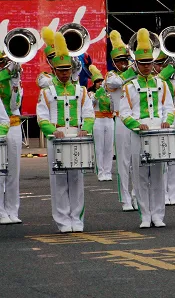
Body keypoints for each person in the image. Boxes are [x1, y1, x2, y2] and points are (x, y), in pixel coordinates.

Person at [37, 33, 94, 233]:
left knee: (77, 180)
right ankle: (62, 221)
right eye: (60, 70)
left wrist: (85, 128)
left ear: (71, 69)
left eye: (66, 69)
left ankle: (77, 219)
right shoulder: (46, 91)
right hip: (57, 139)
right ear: (54, 69)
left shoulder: (81, 90)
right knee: (58, 180)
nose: (63, 73)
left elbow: (88, 113)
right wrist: (53, 131)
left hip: (76, 138)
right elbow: (41, 117)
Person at [119, 29, 175, 229]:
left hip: (158, 132)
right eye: (142, 64)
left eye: (149, 63)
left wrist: (167, 121)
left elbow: (170, 107)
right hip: (139, 134)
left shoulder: (162, 84)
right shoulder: (129, 86)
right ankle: (145, 215)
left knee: (158, 175)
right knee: (141, 176)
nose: (146, 67)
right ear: (136, 64)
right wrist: (136, 125)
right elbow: (124, 112)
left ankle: (158, 215)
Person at [105, 31, 138, 212]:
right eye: (120, 61)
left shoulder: (135, 72)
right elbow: (117, 83)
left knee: (137, 160)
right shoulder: (111, 76)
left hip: (136, 120)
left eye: (125, 60)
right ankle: (125, 198)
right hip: (120, 120)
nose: (123, 63)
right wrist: (132, 70)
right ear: (114, 62)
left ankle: (135, 195)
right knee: (124, 162)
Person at [153, 51, 175, 206]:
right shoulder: (155, 80)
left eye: (163, 63)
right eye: (158, 64)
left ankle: (173, 194)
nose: (160, 66)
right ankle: (162, 193)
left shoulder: (171, 79)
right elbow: (160, 78)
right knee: (163, 156)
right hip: (163, 121)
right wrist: (170, 68)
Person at [0, 46, 22, 225]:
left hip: (13, 124)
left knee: (13, 171)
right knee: (0, 172)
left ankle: (12, 210)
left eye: (3, 62)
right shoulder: (4, 75)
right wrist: (6, 73)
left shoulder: (11, 78)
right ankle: (0, 212)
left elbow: (15, 105)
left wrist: (15, 84)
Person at [89, 65, 114, 182]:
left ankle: (108, 172)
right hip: (98, 121)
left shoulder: (110, 93)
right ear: (94, 83)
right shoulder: (91, 93)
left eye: (101, 82)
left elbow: (114, 107)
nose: (100, 83)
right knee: (99, 148)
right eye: (97, 82)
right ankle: (100, 172)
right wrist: (99, 92)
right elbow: (91, 103)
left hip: (109, 120)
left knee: (109, 148)